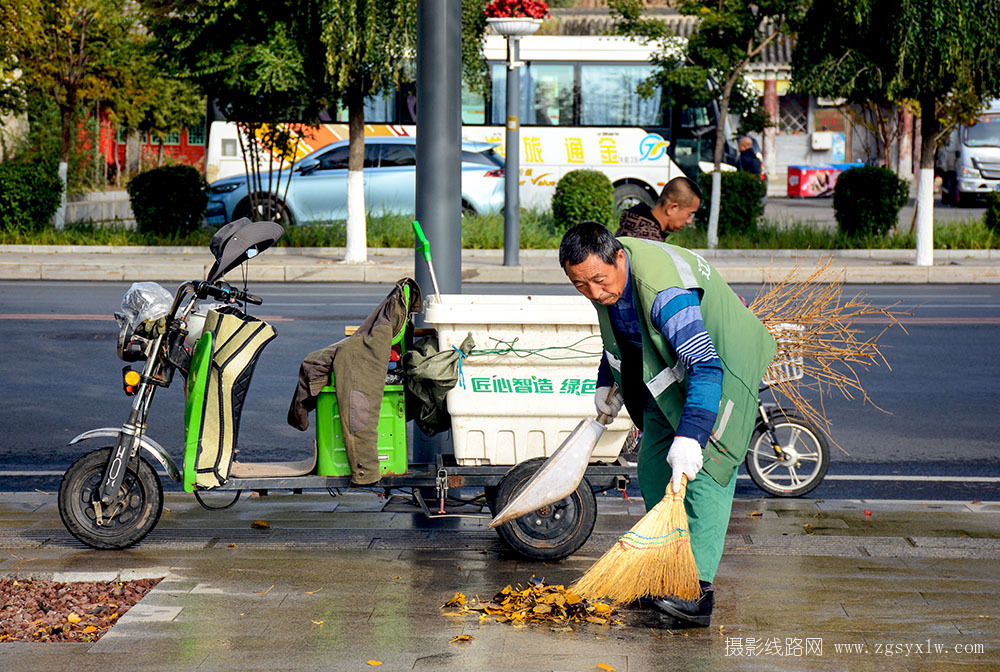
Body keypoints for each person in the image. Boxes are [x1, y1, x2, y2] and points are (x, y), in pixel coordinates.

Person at [559, 221, 776, 628]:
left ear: (619, 258)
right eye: (580, 285)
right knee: (654, 469)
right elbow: (622, 335)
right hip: (664, 373)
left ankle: (696, 590)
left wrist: (693, 438)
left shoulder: (667, 296)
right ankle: (663, 573)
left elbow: (707, 367)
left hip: (723, 370)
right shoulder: (600, 275)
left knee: (707, 474)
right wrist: (608, 382)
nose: (593, 293)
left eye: (598, 282)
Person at [615, 176, 702, 241]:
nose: (689, 221)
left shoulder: (633, 223)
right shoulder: (649, 240)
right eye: (689, 214)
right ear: (672, 208)